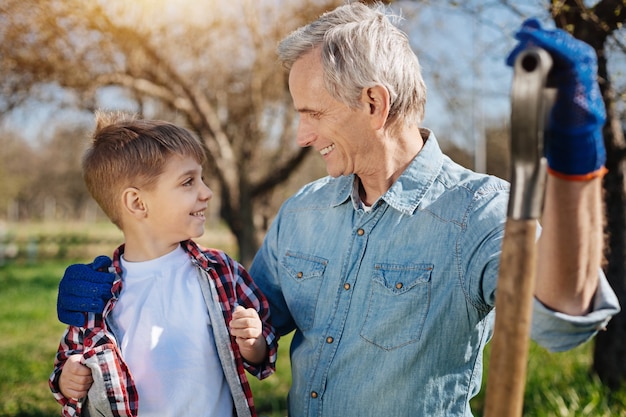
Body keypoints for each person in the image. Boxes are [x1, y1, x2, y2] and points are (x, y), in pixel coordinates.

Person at [56, 3, 620, 416]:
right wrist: (126, 284)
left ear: (373, 103)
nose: (301, 135)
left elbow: (561, 322)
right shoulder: (305, 211)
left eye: (313, 113)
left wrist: (575, 165)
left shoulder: (479, 213)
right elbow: (229, 322)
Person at [49, 111, 278, 417]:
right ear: (137, 203)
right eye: (188, 182)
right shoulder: (95, 293)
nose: (207, 193)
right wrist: (68, 380)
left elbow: (262, 354)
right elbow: (68, 365)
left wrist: (254, 341)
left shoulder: (221, 271)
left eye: (202, 179)